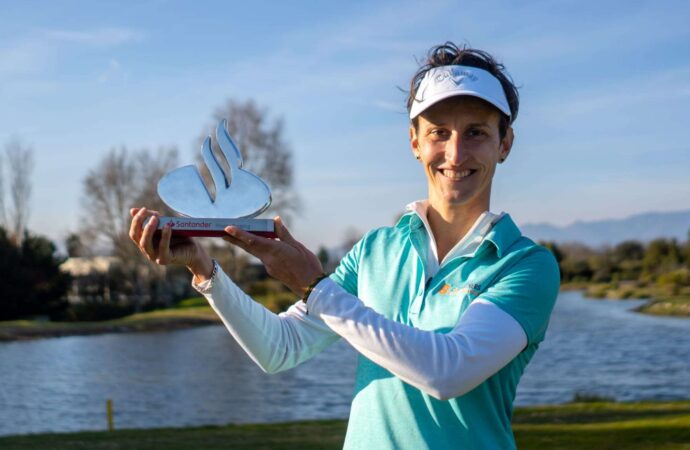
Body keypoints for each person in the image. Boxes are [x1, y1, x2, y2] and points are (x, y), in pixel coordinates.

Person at [129, 42, 560, 450]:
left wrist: (315, 287)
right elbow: (280, 348)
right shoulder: (376, 250)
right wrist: (206, 273)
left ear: (504, 144)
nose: (455, 152)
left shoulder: (526, 265)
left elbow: (448, 371)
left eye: (477, 133)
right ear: (414, 142)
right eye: (439, 132)